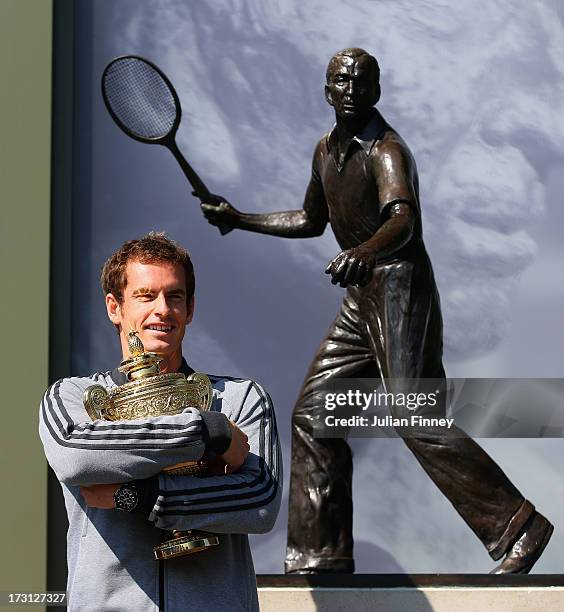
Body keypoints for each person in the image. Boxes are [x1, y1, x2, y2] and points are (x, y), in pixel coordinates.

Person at [200, 48, 552, 575]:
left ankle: (516, 526)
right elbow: (309, 219)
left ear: (376, 91)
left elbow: (403, 217)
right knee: (314, 415)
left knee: (414, 412)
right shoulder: (325, 150)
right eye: (340, 80)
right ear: (326, 89)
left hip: (398, 287)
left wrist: (365, 251)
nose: (349, 89)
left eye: (360, 82)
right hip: (361, 298)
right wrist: (240, 218)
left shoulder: (386, 150)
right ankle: (321, 553)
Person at [39, 232, 281, 611]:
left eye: (175, 296)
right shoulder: (73, 398)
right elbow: (77, 456)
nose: (163, 309)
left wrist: (138, 496)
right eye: (145, 295)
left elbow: (259, 500)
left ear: (191, 307)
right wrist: (207, 432)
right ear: (114, 307)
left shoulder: (240, 397)